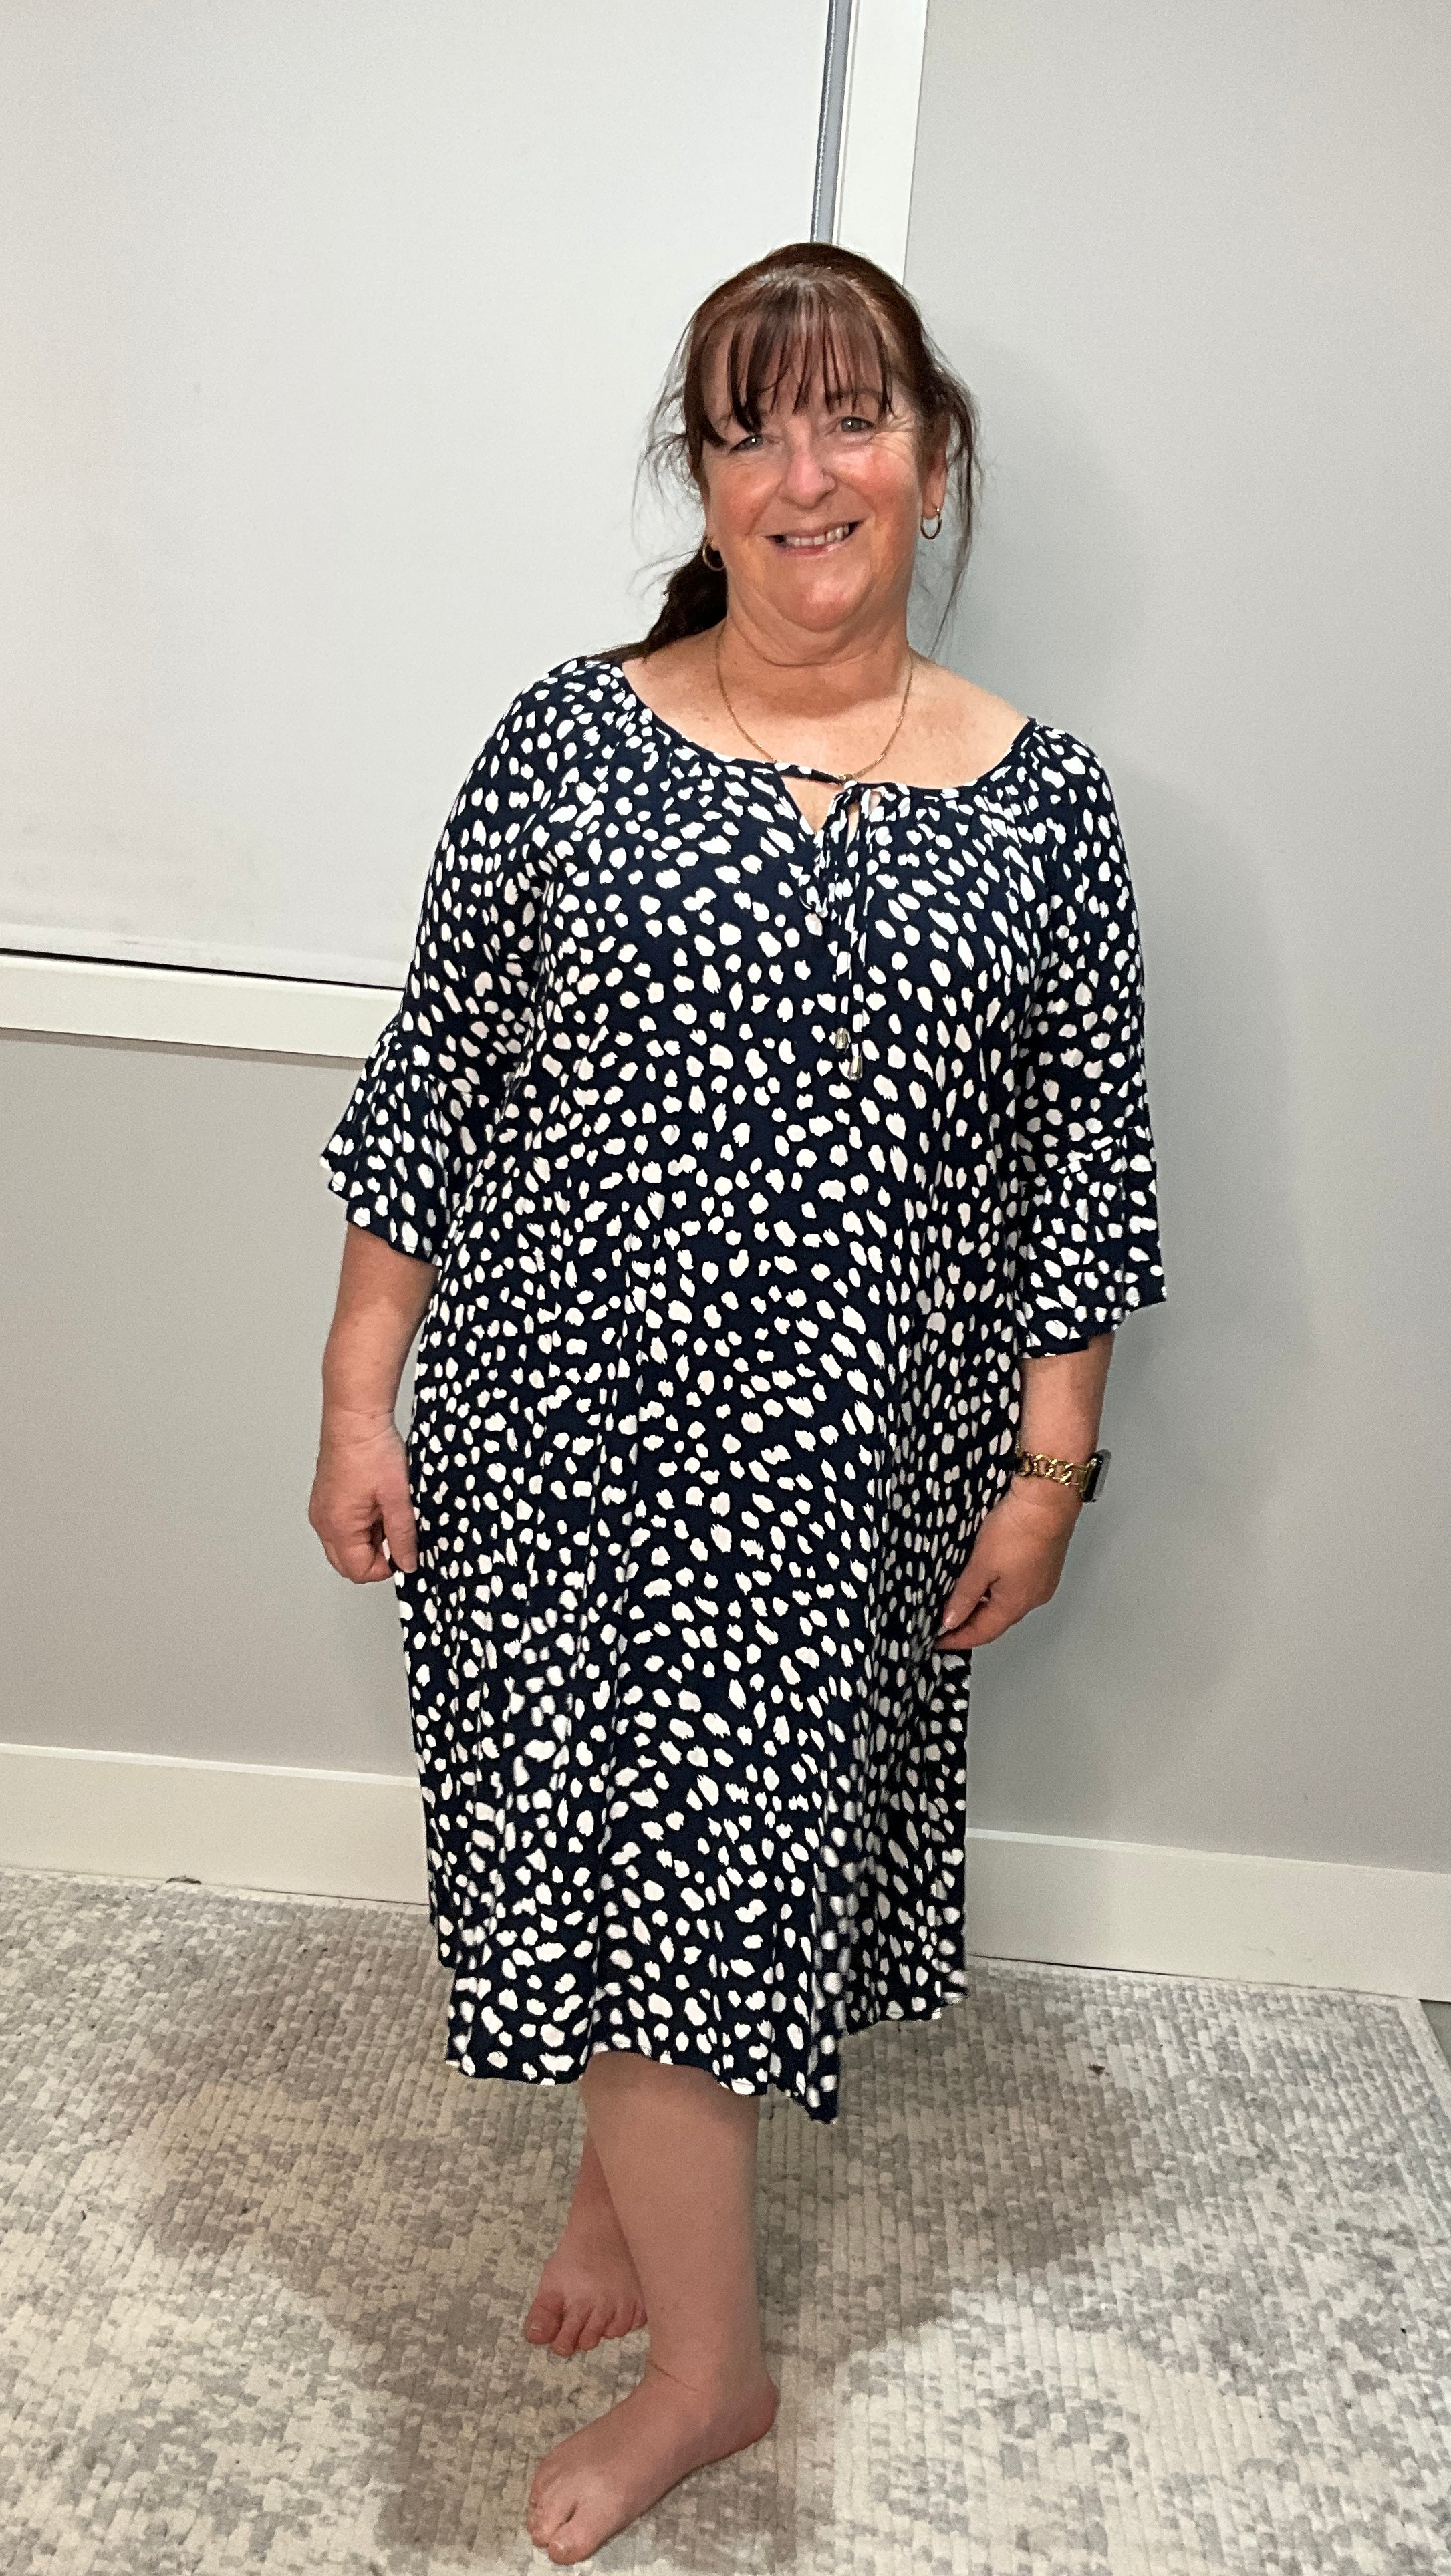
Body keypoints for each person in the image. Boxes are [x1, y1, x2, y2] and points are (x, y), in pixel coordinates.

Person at [309, 240, 1164, 2565]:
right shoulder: (565, 745)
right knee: (638, 1897)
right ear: (700, 480)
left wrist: (1049, 1469)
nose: (807, 473)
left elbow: (1084, 1166)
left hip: (844, 1486)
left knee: (721, 1901)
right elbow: (433, 1096)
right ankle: (715, 2366)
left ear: (933, 458)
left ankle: (644, 2214)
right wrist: (361, 1398)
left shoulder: (1044, 803)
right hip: (564, 1453)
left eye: (851, 416)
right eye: (750, 428)